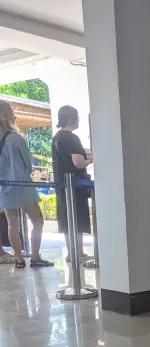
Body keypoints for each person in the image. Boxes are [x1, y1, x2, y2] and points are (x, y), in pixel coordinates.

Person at [0, 100, 53, 268]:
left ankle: (19, 258)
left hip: (5, 187)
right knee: (37, 220)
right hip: (23, 185)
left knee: (12, 223)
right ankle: (35, 256)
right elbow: (28, 165)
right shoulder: (16, 139)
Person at [52, 105, 93, 263]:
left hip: (62, 185)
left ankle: (73, 252)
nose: (78, 121)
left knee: (67, 219)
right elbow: (79, 163)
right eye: (77, 117)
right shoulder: (71, 138)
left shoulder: (57, 137)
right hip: (75, 186)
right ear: (71, 119)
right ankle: (79, 252)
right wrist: (91, 159)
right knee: (78, 218)